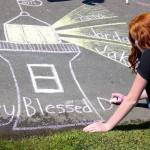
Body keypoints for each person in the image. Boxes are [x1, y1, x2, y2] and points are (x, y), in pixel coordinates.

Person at [83, 12, 150, 132]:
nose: (134, 43)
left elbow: (132, 100)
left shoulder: (148, 56)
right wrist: (126, 97)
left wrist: (107, 125)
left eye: (136, 39)